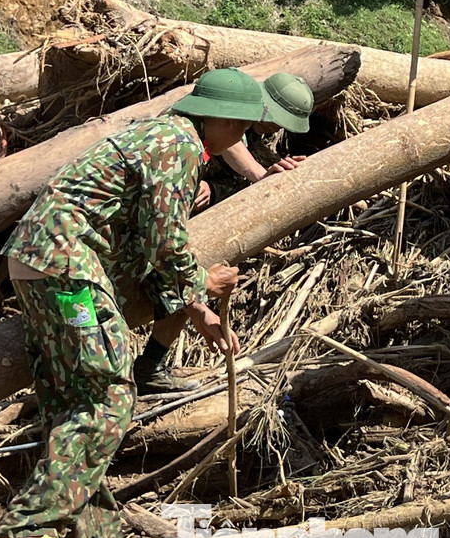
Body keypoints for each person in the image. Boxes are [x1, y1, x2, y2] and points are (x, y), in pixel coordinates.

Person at [0, 68, 264, 538]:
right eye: (241, 128)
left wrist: (195, 309)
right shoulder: (177, 142)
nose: (239, 139)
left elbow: (145, 244)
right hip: (66, 268)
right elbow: (165, 241)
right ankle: (26, 529)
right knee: (109, 396)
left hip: (41, 262)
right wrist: (203, 282)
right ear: (221, 118)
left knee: (74, 402)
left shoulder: (160, 135)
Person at [133, 72, 314, 394]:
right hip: (153, 224)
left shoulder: (257, 140)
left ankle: (149, 367)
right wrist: (260, 176)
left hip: (176, 227)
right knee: (184, 279)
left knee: (187, 282)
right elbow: (228, 148)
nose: (274, 128)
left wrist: (212, 189)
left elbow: (233, 179)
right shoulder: (189, 131)